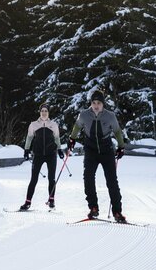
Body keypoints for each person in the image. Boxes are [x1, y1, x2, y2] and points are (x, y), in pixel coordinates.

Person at [67, 90, 127, 223]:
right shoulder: (84, 115)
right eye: (94, 103)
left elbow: (117, 131)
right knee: (88, 177)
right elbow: (77, 127)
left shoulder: (110, 116)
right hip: (90, 149)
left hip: (107, 150)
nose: (96, 105)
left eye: (98, 103)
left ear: (103, 104)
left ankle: (117, 211)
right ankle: (93, 207)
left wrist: (121, 147)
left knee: (112, 181)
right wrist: (72, 139)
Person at [19, 103, 64, 211]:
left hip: (51, 154)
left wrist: (59, 149)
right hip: (38, 154)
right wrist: (26, 150)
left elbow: (57, 138)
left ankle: (51, 200)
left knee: (51, 178)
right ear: (40, 112)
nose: (44, 113)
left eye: (46, 111)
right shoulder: (33, 124)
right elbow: (29, 138)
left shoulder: (53, 124)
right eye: (42, 111)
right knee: (33, 179)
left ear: (48, 113)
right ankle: (27, 202)